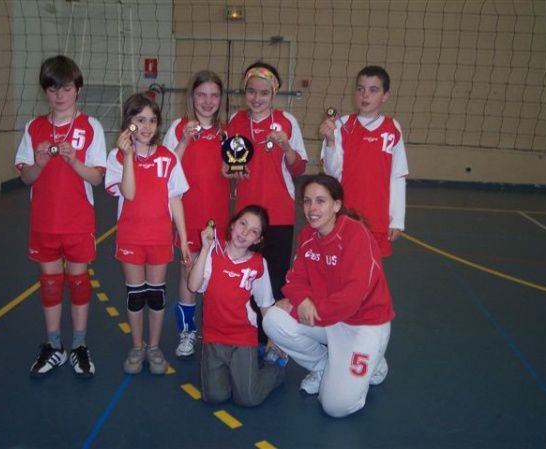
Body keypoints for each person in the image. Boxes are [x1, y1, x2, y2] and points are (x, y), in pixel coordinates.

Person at [262, 174, 394, 418]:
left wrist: (311, 309)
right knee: (272, 319)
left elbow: (353, 297)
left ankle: (375, 364)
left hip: (363, 324)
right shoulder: (308, 236)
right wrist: (301, 301)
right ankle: (324, 365)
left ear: (336, 205)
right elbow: (295, 279)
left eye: (320, 201)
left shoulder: (356, 235)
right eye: (307, 201)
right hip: (328, 317)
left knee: (335, 408)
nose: (312, 209)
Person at [15, 55, 107, 378]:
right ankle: (54, 345)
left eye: (66, 87)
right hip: (44, 221)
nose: (59, 94)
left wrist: (74, 162)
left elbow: (97, 178)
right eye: (52, 88)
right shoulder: (34, 127)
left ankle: (79, 345)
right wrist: (39, 164)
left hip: (78, 221)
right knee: (51, 284)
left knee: (79, 282)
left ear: (77, 89)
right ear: (45, 91)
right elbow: (25, 177)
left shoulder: (90, 127)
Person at [105, 93, 191, 375]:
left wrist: (185, 240)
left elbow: (175, 199)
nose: (147, 126)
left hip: (159, 238)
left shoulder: (168, 158)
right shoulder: (116, 157)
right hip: (131, 237)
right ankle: (137, 346)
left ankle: (153, 347)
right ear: (128, 122)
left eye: (152, 120)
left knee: (156, 296)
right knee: (135, 296)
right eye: (140, 119)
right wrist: (130, 155)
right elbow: (128, 193)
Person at [226, 61, 308, 342]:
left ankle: (273, 335)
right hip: (247, 216)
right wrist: (235, 170)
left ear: (274, 94)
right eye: (251, 91)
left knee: (274, 276)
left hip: (280, 214)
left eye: (264, 93)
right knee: (246, 274)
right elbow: (227, 166)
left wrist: (286, 147)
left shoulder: (287, 122)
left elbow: (299, 168)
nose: (257, 98)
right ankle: (247, 330)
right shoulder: (236, 122)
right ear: (244, 92)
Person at [188, 206, 285, 406]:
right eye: (243, 224)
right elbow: (193, 285)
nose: (245, 232)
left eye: (254, 231)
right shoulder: (213, 253)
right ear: (232, 224)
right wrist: (205, 249)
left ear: (257, 240)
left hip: (242, 337)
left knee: (249, 399)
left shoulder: (258, 264)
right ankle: (238, 375)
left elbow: (266, 305)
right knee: (215, 396)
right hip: (213, 337)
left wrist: (273, 339)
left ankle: (274, 371)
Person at [162, 70, 230, 358]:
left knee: (217, 275)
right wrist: (184, 142)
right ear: (192, 97)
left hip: (220, 215)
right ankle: (187, 331)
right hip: (188, 215)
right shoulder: (179, 127)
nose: (207, 101)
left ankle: (213, 330)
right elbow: (163, 167)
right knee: (189, 272)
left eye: (214, 95)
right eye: (201, 94)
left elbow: (233, 169)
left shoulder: (226, 132)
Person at [320, 65, 409, 257]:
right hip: (344, 214)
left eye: (373, 90)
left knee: (370, 271)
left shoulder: (392, 128)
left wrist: (397, 220)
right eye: (360, 89)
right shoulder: (341, 125)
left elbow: (398, 176)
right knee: (341, 267)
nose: (365, 95)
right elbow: (331, 173)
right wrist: (329, 141)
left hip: (377, 217)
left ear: (386, 95)